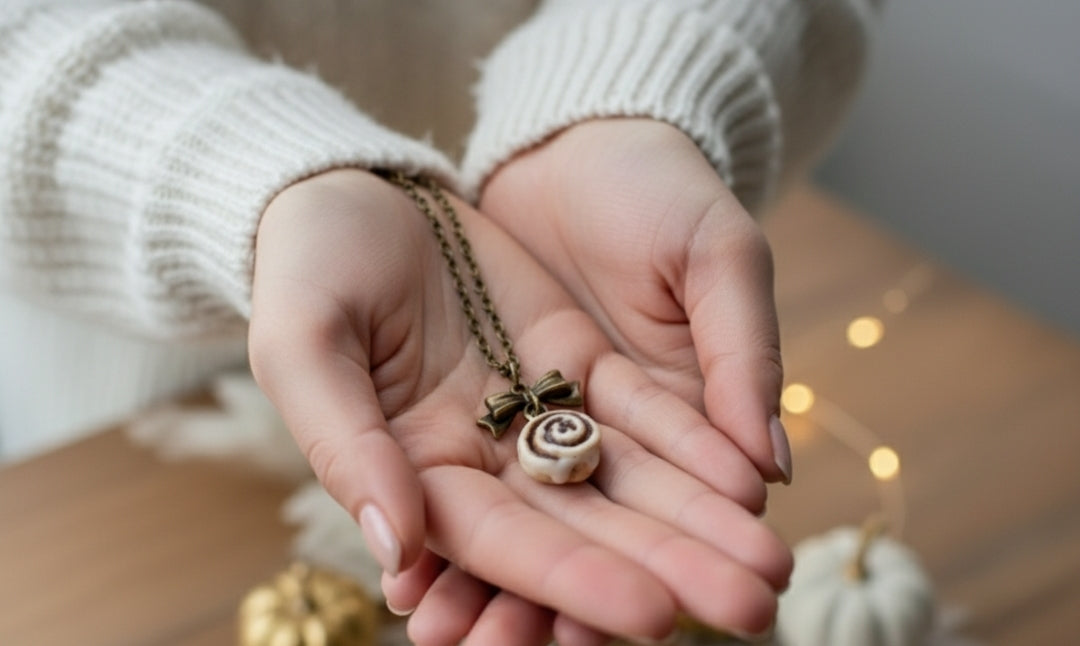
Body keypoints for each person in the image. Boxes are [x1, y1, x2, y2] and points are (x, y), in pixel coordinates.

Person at [0, 1, 875, 644]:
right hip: (119, 423)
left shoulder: (543, 389)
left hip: (595, 298)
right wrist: (251, 176)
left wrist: (636, 87)